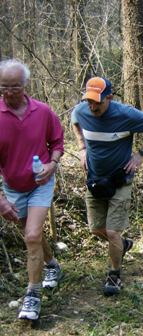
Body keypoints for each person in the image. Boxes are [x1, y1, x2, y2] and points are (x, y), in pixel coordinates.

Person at [71, 77, 143, 296]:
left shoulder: (126, 114)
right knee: (96, 228)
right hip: (95, 180)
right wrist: (81, 148)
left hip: (121, 180)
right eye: (89, 102)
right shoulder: (82, 110)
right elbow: (74, 120)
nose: (93, 107)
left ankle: (114, 275)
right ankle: (122, 244)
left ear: (110, 98)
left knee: (112, 231)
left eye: (98, 102)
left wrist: (141, 154)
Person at [0, 59, 64, 320]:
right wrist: (1, 198)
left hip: (40, 184)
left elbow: (57, 142)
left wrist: (52, 164)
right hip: (12, 187)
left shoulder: (43, 111)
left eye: (14, 86)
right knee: (32, 237)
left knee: (33, 234)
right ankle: (52, 265)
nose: (9, 92)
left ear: (25, 85)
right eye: (4, 86)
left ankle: (32, 296)